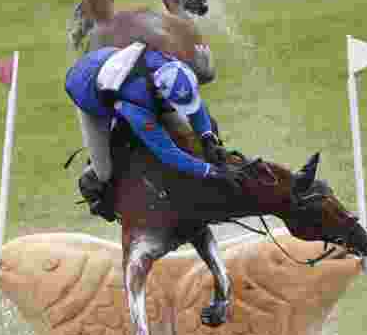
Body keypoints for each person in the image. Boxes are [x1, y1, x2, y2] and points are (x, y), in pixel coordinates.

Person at [65, 43, 245, 222]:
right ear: (161, 94)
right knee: (104, 172)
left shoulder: (173, 69)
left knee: (186, 129)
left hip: (114, 64)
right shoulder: (136, 108)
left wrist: (208, 138)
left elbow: (196, 107)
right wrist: (212, 172)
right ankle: (91, 186)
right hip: (86, 89)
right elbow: (168, 154)